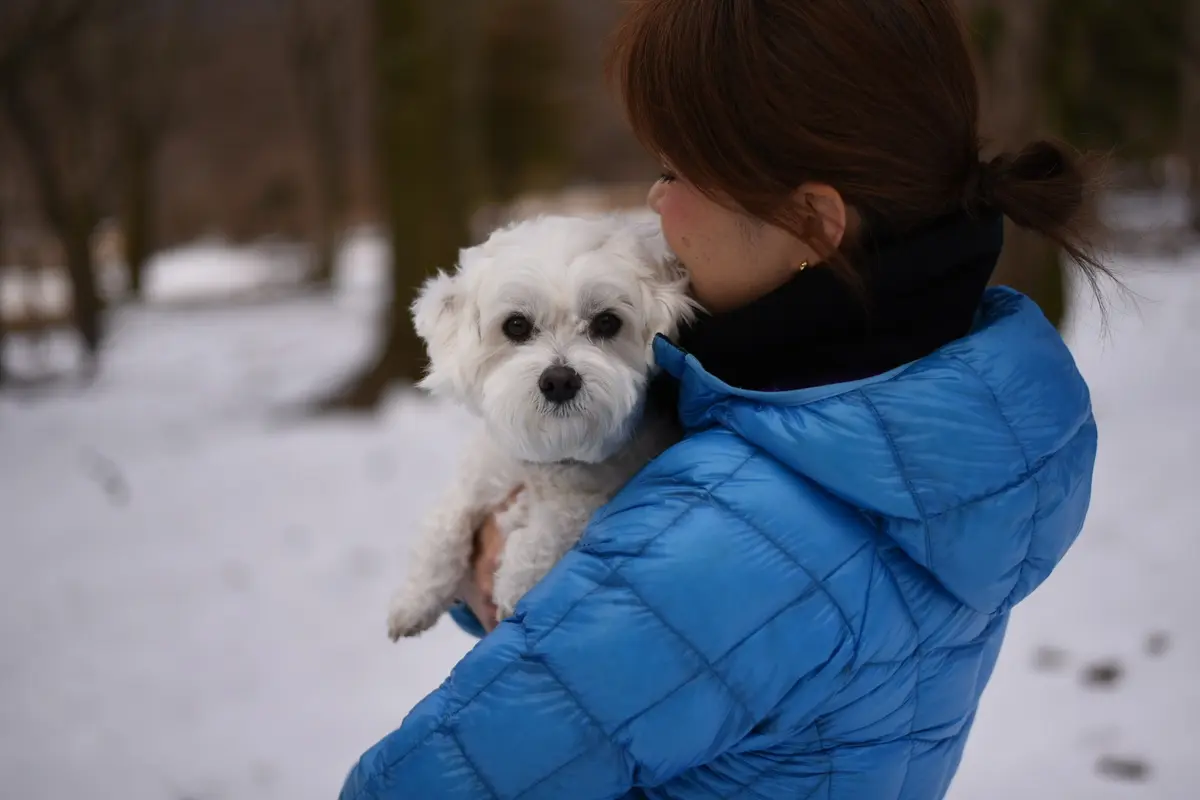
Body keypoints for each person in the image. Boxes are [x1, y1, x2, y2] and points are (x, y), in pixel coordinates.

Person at [338, 1, 1106, 797]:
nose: (655, 202)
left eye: (675, 171)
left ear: (812, 222)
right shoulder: (944, 411)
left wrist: (506, 566)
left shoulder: (723, 530)